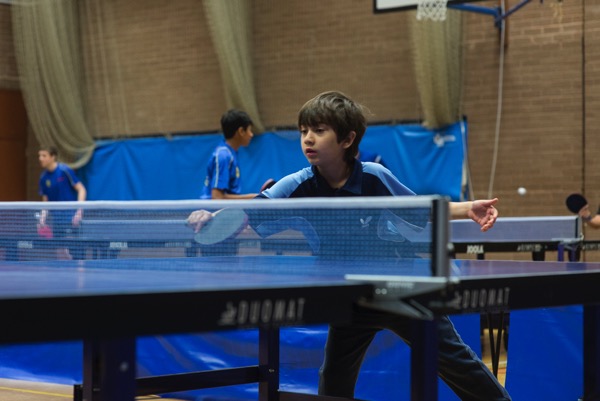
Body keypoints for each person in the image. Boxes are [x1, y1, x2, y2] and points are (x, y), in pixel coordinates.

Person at [188, 91, 510, 400]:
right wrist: (212, 217)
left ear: (347, 139)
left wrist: (468, 208)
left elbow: (422, 208)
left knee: (455, 362)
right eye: (303, 131)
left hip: (401, 289)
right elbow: (248, 213)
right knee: (334, 381)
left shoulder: (373, 176)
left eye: (319, 130)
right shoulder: (297, 184)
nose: (308, 139)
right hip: (352, 298)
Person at [38, 146, 87, 259]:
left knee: (75, 254)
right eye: (39, 156)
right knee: (60, 253)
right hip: (57, 220)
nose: (40, 158)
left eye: (44, 155)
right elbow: (46, 200)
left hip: (71, 218)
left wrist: (79, 211)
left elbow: (81, 189)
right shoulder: (43, 178)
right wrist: (42, 218)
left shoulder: (64, 171)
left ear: (53, 157)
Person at [200, 109, 258, 199]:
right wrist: (252, 198)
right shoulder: (223, 156)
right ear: (241, 131)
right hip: (212, 208)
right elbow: (217, 197)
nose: (251, 135)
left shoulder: (231, 154)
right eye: (249, 130)